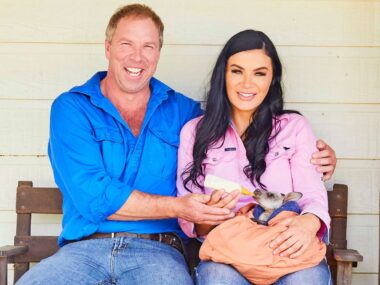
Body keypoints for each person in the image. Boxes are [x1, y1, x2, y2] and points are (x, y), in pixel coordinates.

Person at [17, 4, 336, 285]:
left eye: (148, 46)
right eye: (126, 44)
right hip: (83, 249)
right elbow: (91, 195)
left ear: (158, 53)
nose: (137, 57)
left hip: (159, 251)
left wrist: (318, 159)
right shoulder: (73, 108)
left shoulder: (184, 113)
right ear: (108, 47)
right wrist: (177, 207)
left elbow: (234, 135)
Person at [177, 30, 332, 285]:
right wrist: (209, 215)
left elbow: (312, 193)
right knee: (218, 277)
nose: (247, 84)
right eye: (237, 71)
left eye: (259, 73)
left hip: (286, 246)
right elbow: (189, 215)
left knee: (305, 280)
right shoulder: (195, 132)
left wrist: (309, 223)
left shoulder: (293, 127)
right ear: (223, 76)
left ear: (272, 79)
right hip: (230, 252)